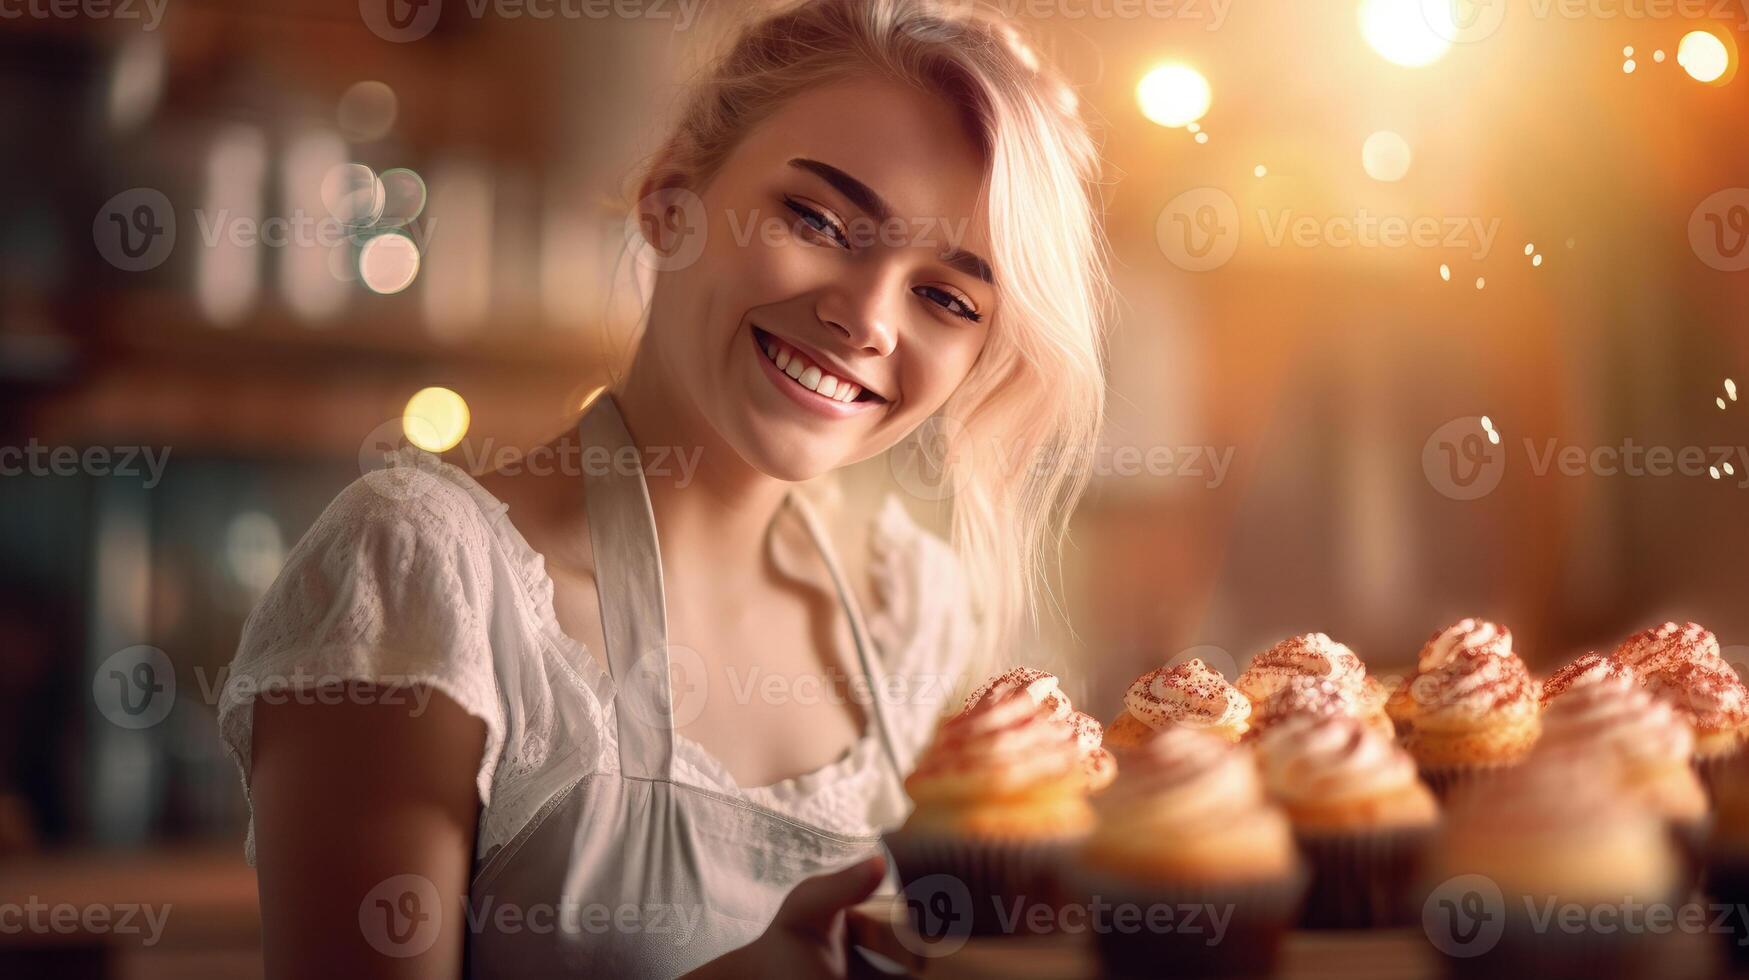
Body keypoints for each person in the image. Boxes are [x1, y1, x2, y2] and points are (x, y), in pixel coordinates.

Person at [218, 0, 1111, 975]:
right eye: (819, 218)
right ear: (670, 195)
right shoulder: (427, 576)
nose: (867, 320)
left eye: (945, 295)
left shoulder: (918, 608)